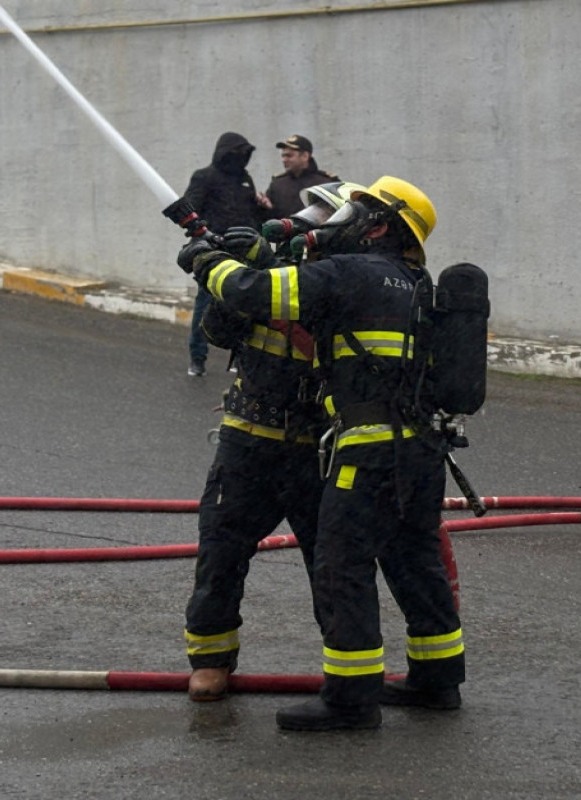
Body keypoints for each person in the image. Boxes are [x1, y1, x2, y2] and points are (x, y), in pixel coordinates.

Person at [179, 176, 466, 731]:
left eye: (341, 216)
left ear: (375, 225)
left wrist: (208, 261)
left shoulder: (346, 276)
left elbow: (256, 295)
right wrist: (260, 260)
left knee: (340, 568)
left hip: (352, 452)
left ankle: (350, 699)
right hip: (414, 450)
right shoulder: (413, 280)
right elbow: (231, 322)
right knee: (414, 562)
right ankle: (438, 682)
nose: (319, 227)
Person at [182, 183, 364, 702]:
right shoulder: (272, 274)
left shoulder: (348, 282)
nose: (303, 223)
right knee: (219, 551)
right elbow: (221, 330)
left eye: (321, 215)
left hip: (316, 450)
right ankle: (211, 658)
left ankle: (345, 665)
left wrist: (265, 273)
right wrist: (231, 272)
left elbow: (328, 337)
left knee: (330, 565)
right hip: (247, 442)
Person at [180, 132, 270, 377]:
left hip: (245, 252)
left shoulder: (244, 179)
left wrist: (260, 216)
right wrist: (207, 234)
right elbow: (190, 211)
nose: (242, 158)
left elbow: (250, 213)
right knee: (205, 303)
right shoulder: (204, 177)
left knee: (247, 306)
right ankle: (197, 358)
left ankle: (238, 358)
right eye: (238, 153)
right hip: (214, 252)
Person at [264, 135, 338, 218]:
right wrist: (265, 208)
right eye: (283, 156)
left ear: (305, 156)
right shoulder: (277, 185)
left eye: (289, 156)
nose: (284, 160)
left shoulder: (325, 183)